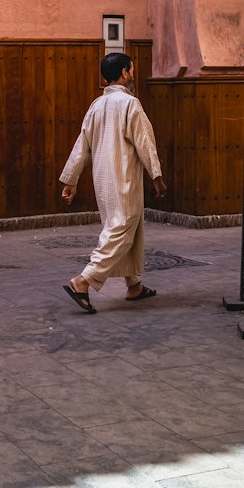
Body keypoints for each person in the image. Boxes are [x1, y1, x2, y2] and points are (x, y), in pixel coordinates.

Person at [59, 51, 166, 313]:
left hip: (103, 180)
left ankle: (134, 286)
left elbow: (81, 144)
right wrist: (157, 176)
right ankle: (83, 281)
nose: (133, 74)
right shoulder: (131, 105)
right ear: (125, 73)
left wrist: (71, 179)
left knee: (127, 227)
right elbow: (145, 143)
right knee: (122, 228)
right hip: (125, 178)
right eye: (132, 69)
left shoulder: (96, 105)